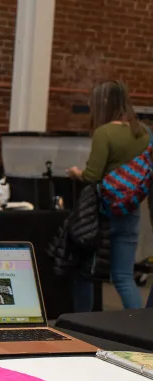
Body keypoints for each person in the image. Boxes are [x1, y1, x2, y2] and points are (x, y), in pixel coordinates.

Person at [67, 80, 147, 311]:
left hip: (101, 213)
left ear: (103, 103)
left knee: (85, 275)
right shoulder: (144, 132)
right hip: (131, 209)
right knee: (123, 277)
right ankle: (139, 328)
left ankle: (81, 326)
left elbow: (92, 175)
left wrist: (75, 173)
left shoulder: (105, 133)